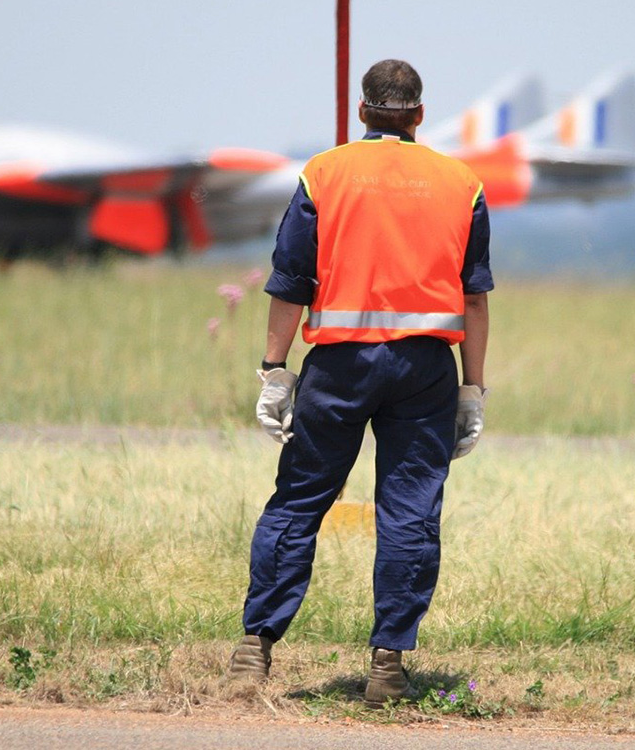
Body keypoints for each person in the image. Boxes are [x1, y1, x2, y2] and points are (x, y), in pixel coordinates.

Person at [227, 59, 493, 706]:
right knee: (409, 511)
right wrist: (472, 389)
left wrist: (273, 371)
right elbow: (475, 297)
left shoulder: (323, 173)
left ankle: (253, 653)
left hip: (340, 367)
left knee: (298, 502)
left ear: (363, 112)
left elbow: (290, 282)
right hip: (425, 370)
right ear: (420, 115)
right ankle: (388, 666)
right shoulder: (463, 183)